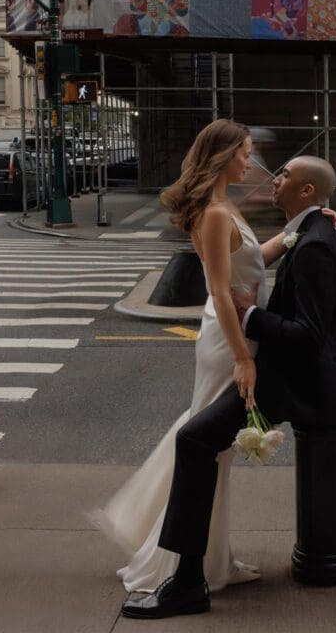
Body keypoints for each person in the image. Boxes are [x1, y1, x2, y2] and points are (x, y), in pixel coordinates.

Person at [120, 146, 336, 620]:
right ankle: (194, 571)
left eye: (285, 174)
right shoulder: (311, 232)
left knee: (193, 440)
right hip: (296, 372)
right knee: (197, 439)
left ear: (307, 191)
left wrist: (249, 313)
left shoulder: (315, 242)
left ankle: (188, 583)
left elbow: (309, 338)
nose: (272, 175)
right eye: (250, 155)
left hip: (300, 381)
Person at [92, 121, 316, 600]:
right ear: (224, 155)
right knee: (208, 447)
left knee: (209, 446)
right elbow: (218, 287)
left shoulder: (224, 206)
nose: (251, 162)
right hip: (228, 338)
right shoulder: (215, 214)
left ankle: (211, 556)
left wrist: (304, 226)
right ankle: (184, 562)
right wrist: (243, 359)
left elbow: (253, 260)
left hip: (237, 328)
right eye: (246, 153)